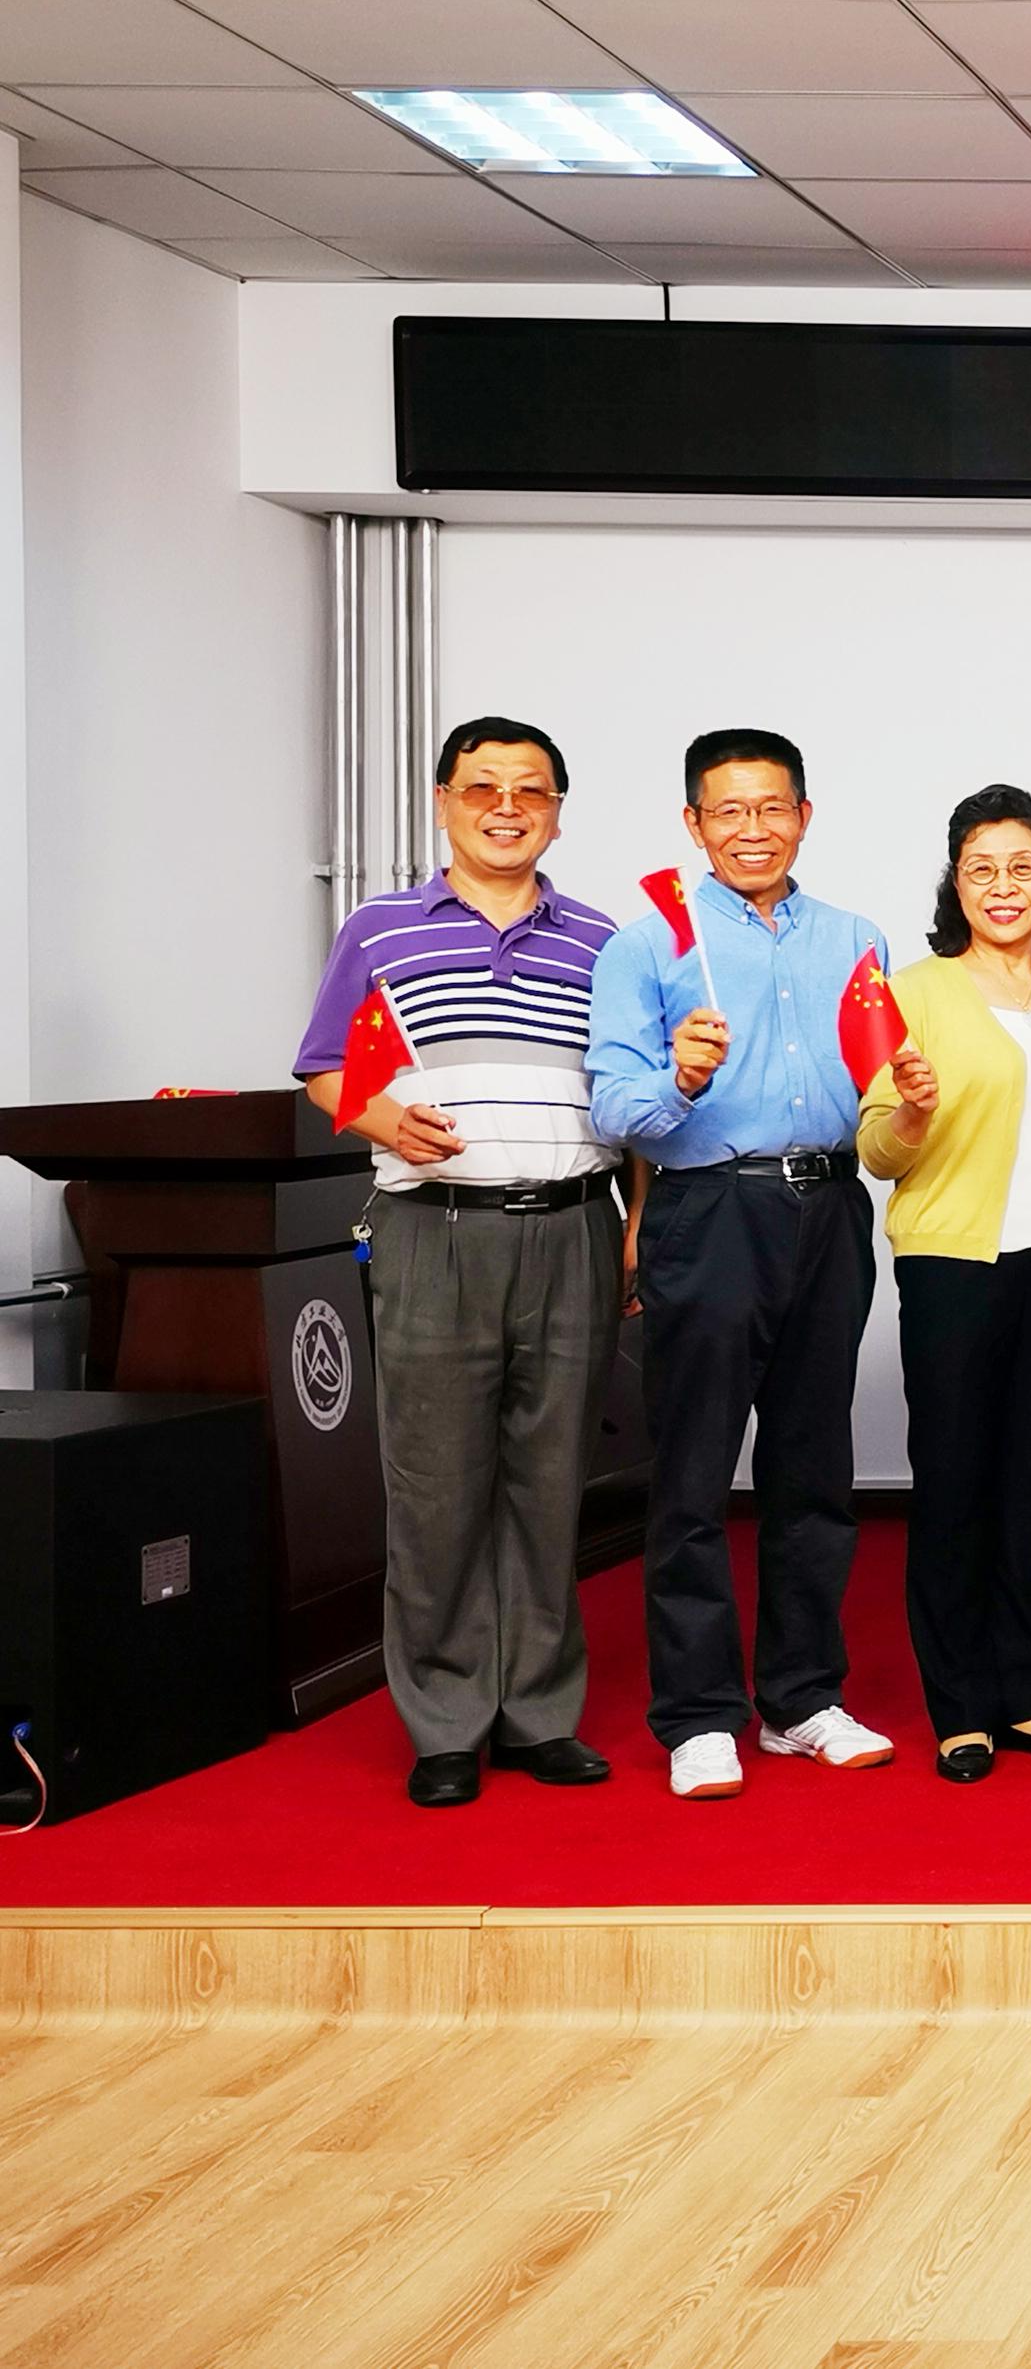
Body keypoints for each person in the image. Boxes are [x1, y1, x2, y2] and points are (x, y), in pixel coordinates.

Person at [297, 716, 624, 1810]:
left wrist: (634, 1223)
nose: (506, 807)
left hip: (573, 1225)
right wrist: (381, 1114)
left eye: (531, 790)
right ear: (442, 802)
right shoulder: (380, 928)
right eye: (482, 787)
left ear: (558, 814)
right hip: (432, 1230)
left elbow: (628, 1092)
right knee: (435, 1486)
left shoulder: (603, 939)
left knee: (550, 1482)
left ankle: (537, 1713)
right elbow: (325, 1067)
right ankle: (443, 1719)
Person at [586, 727, 898, 1800]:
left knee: (815, 1467)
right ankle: (698, 1714)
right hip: (710, 1208)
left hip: (830, 1207)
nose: (751, 829)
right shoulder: (648, 946)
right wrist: (676, 1077)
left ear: (803, 816)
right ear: (694, 823)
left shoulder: (855, 938)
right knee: (693, 1473)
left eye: (772, 808)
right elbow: (613, 1106)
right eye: (728, 810)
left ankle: (802, 1699)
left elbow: (880, 1082)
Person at [855, 786, 1031, 1785]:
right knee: (953, 1484)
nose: (1003, 886)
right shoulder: (913, 992)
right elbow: (877, 1150)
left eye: (1021, 867)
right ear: (955, 884)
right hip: (952, 1266)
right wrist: (912, 1112)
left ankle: (1023, 1695)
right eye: (980, 869)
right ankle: (959, 1709)